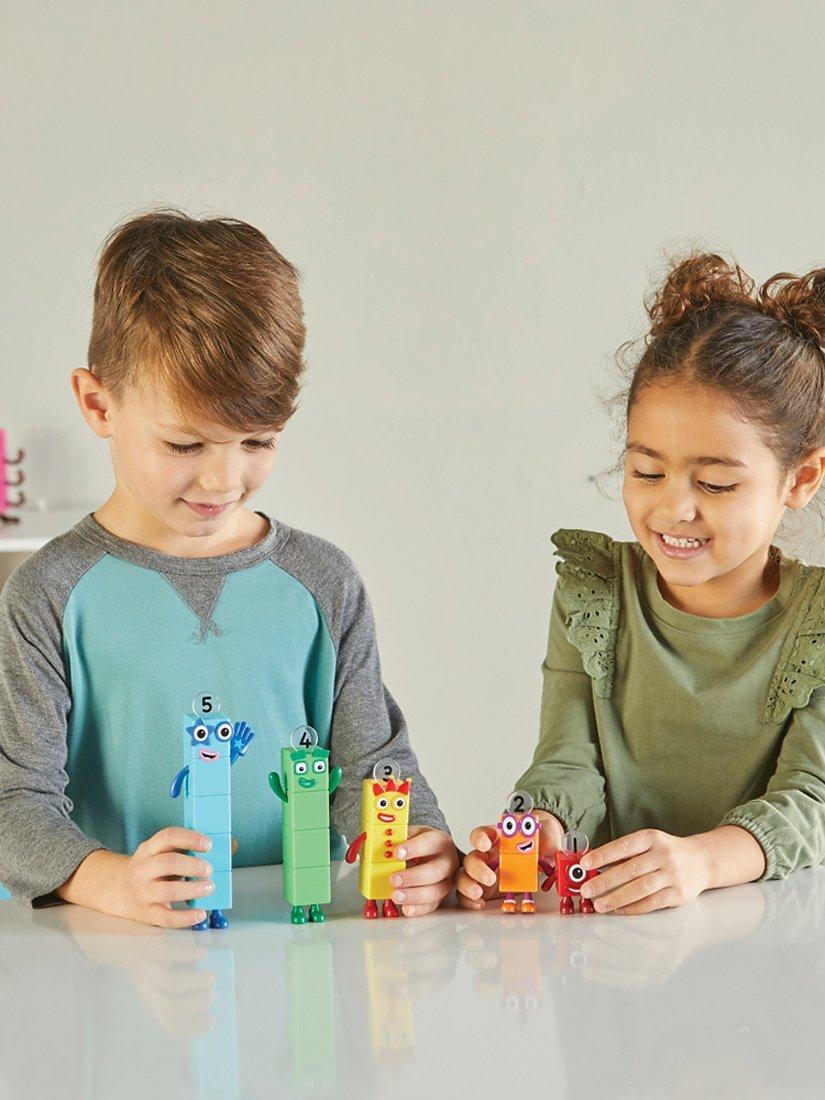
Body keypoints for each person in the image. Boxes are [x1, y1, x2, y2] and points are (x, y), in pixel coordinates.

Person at [0, 210, 457, 926]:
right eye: (184, 445)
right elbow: (14, 805)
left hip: (301, 942)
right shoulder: (47, 594)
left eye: (257, 441)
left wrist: (419, 846)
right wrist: (112, 882)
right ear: (97, 404)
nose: (223, 479)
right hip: (115, 948)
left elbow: (375, 769)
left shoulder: (324, 581)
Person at [458, 253, 825, 915]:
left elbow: (810, 801)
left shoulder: (817, 621)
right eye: (646, 472)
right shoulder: (594, 591)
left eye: (715, 483)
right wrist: (540, 827)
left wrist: (699, 861)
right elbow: (568, 760)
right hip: (613, 934)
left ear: (799, 480)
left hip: (768, 933)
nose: (672, 509)